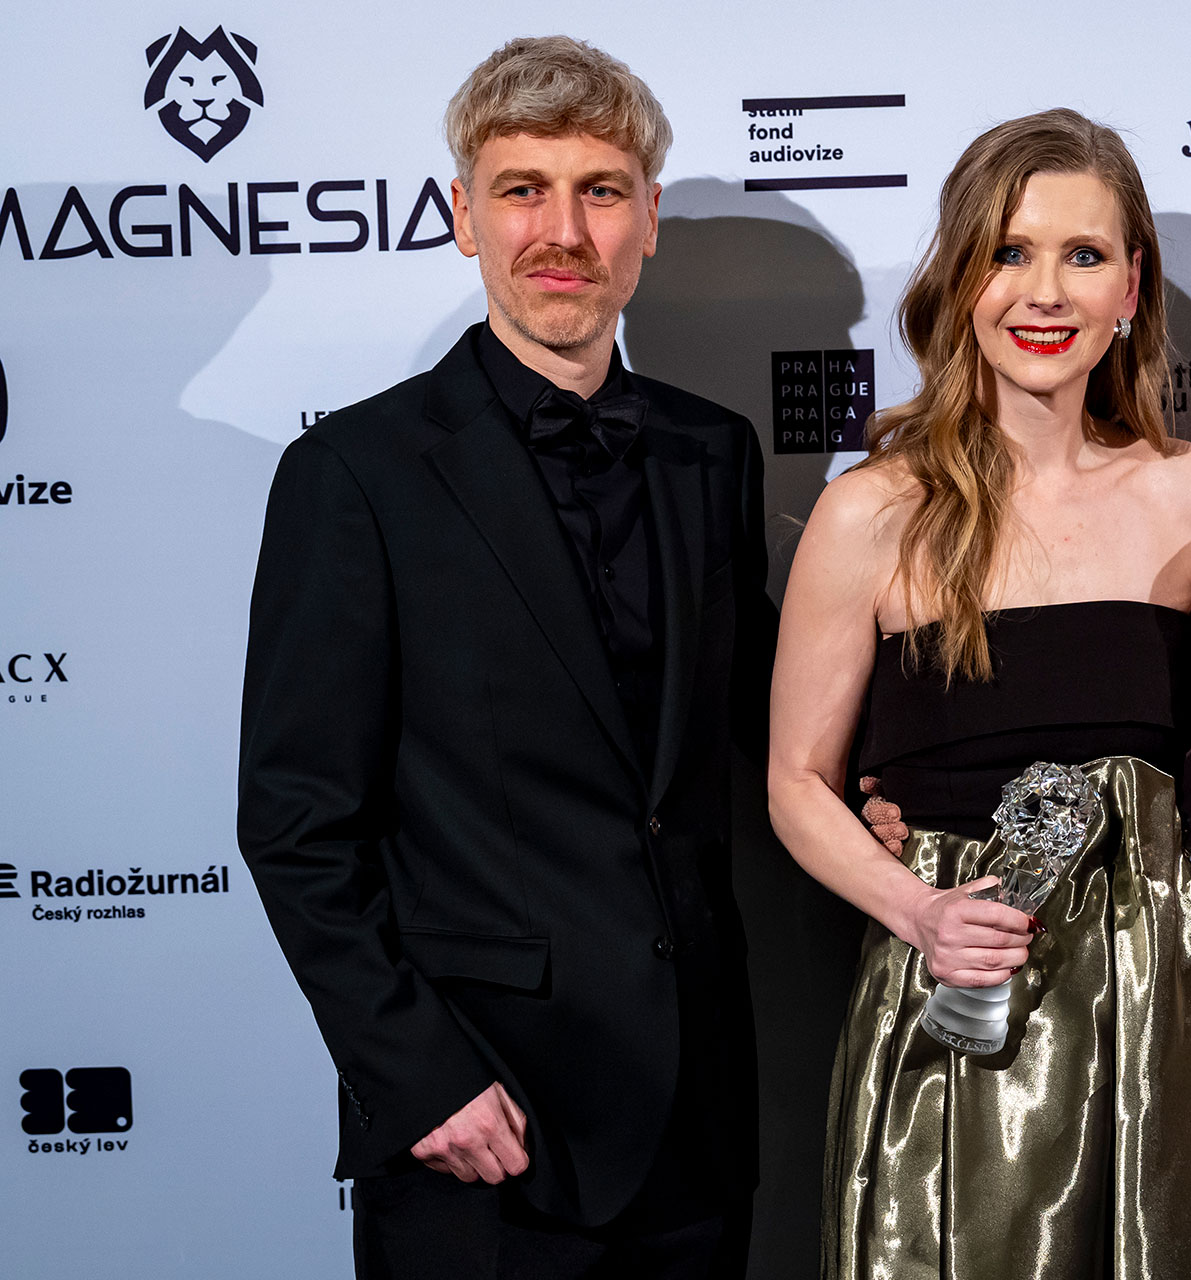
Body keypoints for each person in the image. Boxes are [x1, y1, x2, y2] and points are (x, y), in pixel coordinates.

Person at [236, 36, 772, 1279]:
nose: (562, 231)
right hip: (483, 1122)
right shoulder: (354, 475)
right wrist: (416, 1074)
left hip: (695, 1121)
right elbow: (297, 823)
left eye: (600, 190)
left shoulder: (713, 453)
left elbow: (758, 725)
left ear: (649, 220)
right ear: (464, 216)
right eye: (523, 189)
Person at [767, 110, 1191, 1278]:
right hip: (961, 1003)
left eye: (1084, 254)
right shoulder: (873, 512)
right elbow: (798, 781)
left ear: (1131, 287)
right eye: (1009, 252)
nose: (1045, 292)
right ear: (962, 279)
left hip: (1157, 1008)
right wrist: (918, 909)